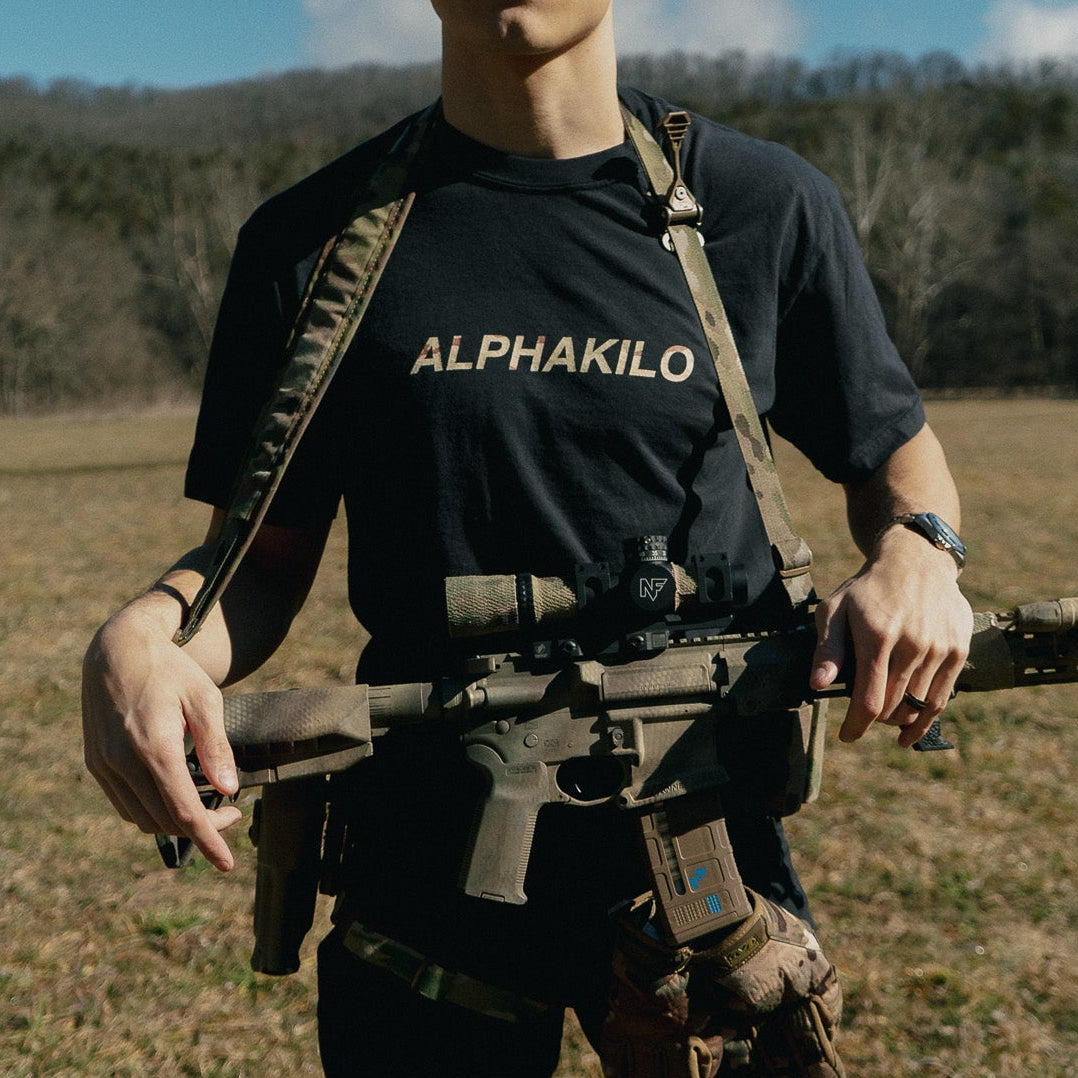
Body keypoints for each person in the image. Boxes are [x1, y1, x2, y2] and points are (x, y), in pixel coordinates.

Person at [82, 2, 973, 1075]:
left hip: (704, 844)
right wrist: (144, 636)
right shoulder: (313, 242)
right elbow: (260, 564)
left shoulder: (760, 205)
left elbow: (895, 457)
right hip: (429, 837)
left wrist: (919, 553)